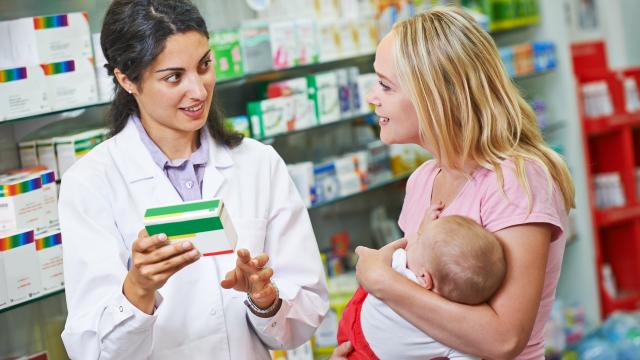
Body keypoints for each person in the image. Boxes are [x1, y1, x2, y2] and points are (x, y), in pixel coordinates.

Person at [58, 1, 328, 358]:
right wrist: (137, 290)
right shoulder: (91, 183)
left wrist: (267, 299)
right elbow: (91, 350)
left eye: (204, 66)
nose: (199, 91)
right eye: (173, 77)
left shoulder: (258, 164)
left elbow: (305, 316)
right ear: (126, 79)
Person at [333, 6, 574, 360]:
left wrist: (381, 281)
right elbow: (423, 303)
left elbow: (503, 340)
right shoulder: (423, 180)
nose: (372, 97)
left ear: (435, 95)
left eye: (385, 85)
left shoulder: (516, 181)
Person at [337, 205, 506, 359]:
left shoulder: (399, 266)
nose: (414, 240)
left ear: (425, 278)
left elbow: (373, 261)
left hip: (356, 327)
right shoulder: (455, 335)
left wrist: (421, 231)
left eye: (419, 241)